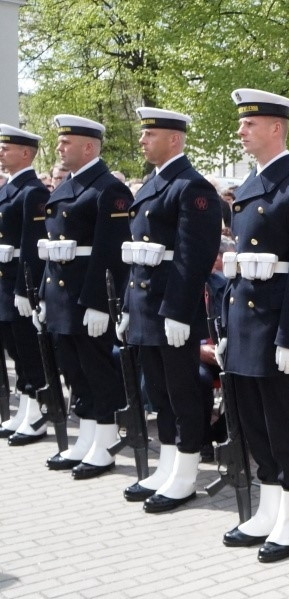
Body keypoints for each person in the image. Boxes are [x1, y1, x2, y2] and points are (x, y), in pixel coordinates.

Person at [219, 89, 289, 563]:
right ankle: (268, 509)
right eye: (242, 123)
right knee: (251, 420)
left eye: (251, 124)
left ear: (276, 128)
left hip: (276, 325)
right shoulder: (251, 185)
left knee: (281, 422)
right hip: (245, 321)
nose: (242, 130)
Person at [119, 108, 222, 512]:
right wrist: (129, 307)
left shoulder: (191, 187)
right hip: (146, 304)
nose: (143, 140)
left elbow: (193, 257)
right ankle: (167, 464)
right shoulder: (155, 183)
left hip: (170, 307)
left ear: (174, 140)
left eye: (151, 134)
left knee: (182, 393)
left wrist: (178, 311)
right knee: (159, 392)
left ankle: (186, 471)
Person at [39, 116, 132, 477]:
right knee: (74, 371)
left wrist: (98, 302)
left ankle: (105, 442)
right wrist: (45, 295)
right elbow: (54, 247)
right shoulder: (70, 185)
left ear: (89, 147)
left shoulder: (108, 189)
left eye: (66, 142)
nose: (60, 148)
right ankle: (88, 436)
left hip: (85, 295)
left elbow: (109, 252)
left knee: (97, 370)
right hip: (62, 294)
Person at [0, 125, 50, 445]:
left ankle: (37, 413)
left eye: (6, 148)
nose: (1, 153)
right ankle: (24, 409)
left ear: (26, 153)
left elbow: (33, 244)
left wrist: (25, 289)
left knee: (28, 350)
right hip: (4, 282)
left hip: (19, 282)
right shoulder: (8, 189)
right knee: (14, 349)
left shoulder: (33, 191)